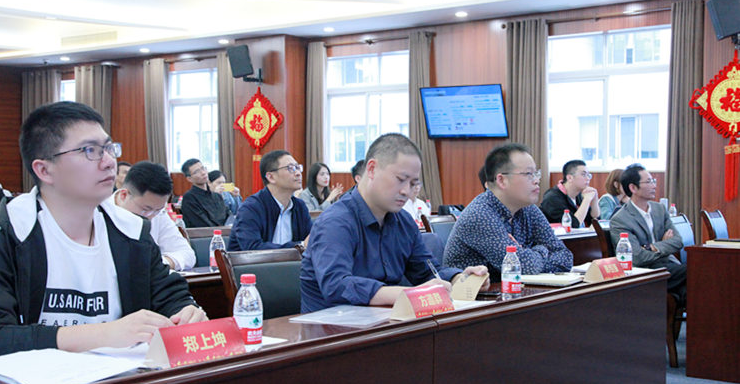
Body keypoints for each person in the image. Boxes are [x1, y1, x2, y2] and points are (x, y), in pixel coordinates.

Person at [0, 101, 206, 355]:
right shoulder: (10, 231)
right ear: (44, 170)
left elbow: (170, 295)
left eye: (108, 148)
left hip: (122, 376)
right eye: (90, 150)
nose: (109, 162)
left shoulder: (132, 232)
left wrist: (185, 313)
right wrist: (104, 334)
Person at [300, 133, 489, 313]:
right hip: (330, 328)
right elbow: (336, 286)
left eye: (413, 183)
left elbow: (427, 271)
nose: (407, 191)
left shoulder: (403, 221)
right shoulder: (335, 222)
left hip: (385, 323)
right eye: (400, 180)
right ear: (372, 169)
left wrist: (461, 279)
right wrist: (408, 293)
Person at [443, 143, 572, 280]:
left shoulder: (528, 209)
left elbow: (565, 256)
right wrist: (541, 249)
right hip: (478, 292)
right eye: (529, 174)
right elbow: (524, 267)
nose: (536, 181)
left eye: (536, 174)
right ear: (502, 180)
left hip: (518, 289)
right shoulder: (479, 214)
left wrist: (528, 254)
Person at [610, 164, 686, 296]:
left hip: (669, 266)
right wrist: (664, 246)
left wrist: (651, 247)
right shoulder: (621, 219)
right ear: (633, 188)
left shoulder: (659, 209)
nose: (654, 186)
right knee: (696, 272)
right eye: (649, 182)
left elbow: (678, 241)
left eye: (653, 181)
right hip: (646, 272)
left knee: (690, 287)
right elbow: (636, 257)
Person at [114, 161, 196, 271]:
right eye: (146, 209)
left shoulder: (158, 214)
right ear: (124, 195)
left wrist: (156, 264)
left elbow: (187, 255)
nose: (151, 216)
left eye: (158, 210)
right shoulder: (98, 214)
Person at [228, 150, 312, 251]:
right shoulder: (251, 208)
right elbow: (252, 249)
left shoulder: (300, 207)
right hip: (253, 261)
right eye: (290, 168)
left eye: (298, 167)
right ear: (271, 177)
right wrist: (299, 246)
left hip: (292, 261)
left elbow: (311, 241)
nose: (298, 173)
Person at [540, 159, 600, 228]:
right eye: (583, 175)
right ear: (569, 178)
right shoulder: (552, 198)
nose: (588, 178)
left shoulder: (578, 195)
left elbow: (594, 220)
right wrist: (586, 200)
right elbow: (573, 225)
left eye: (588, 175)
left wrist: (594, 200)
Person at [180, 158, 229, 228]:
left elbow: (227, 217)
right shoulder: (189, 198)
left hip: (223, 232)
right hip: (203, 234)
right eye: (197, 172)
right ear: (189, 179)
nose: (203, 173)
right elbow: (202, 224)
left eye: (203, 168)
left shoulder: (217, 196)